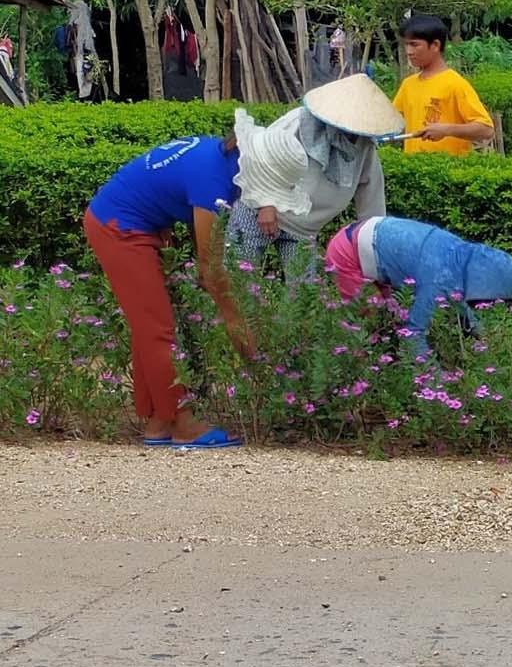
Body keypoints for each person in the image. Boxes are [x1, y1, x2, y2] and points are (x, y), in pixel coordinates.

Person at [84, 134, 257, 449]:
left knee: (148, 323)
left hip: (138, 223)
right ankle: (182, 422)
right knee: (156, 328)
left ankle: (158, 421)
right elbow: (211, 269)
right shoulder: (215, 182)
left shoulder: (218, 155)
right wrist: (235, 321)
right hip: (120, 227)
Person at [226, 74, 401, 279]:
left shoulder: (365, 148)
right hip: (259, 213)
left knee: (302, 299)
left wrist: (372, 240)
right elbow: (261, 154)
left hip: (304, 229)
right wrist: (265, 204)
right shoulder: (299, 122)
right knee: (236, 284)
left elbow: (371, 200)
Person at [323, 217, 512, 359]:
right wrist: (436, 385)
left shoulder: (461, 258)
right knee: (366, 323)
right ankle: (356, 381)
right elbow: (413, 334)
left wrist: (485, 338)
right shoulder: (438, 279)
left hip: (370, 239)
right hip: (346, 252)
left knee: (386, 318)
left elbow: (460, 305)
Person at [392, 14, 494, 156]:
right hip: (414, 170)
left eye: (414, 45)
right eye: (406, 45)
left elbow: (486, 129)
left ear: (435, 45)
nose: (409, 51)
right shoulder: (408, 84)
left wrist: (447, 130)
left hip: (448, 173)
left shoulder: (455, 84)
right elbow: (391, 121)